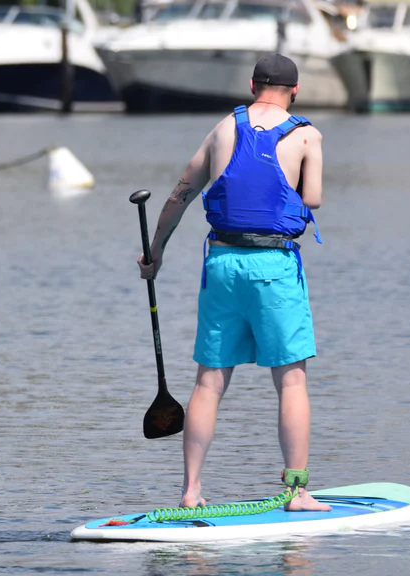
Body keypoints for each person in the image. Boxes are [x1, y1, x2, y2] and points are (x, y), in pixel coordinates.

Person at [136, 54, 331, 512]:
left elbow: (180, 194)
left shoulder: (223, 128)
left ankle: (190, 492)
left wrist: (156, 250)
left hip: (221, 263)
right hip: (274, 267)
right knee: (291, 381)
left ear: (251, 85)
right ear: (295, 91)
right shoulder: (307, 134)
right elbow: (314, 199)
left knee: (208, 381)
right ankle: (297, 491)